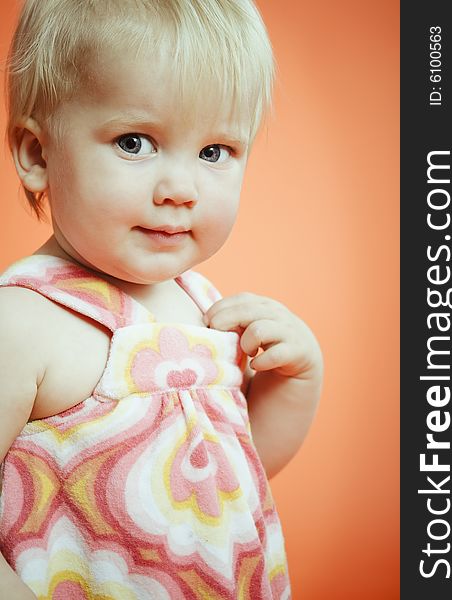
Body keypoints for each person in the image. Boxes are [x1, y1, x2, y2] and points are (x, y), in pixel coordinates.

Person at [0, 0, 323, 598]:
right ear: (38, 155)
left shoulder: (200, 304)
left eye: (213, 152)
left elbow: (232, 477)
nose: (180, 189)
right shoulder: (24, 322)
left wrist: (299, 380)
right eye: (134, 142)